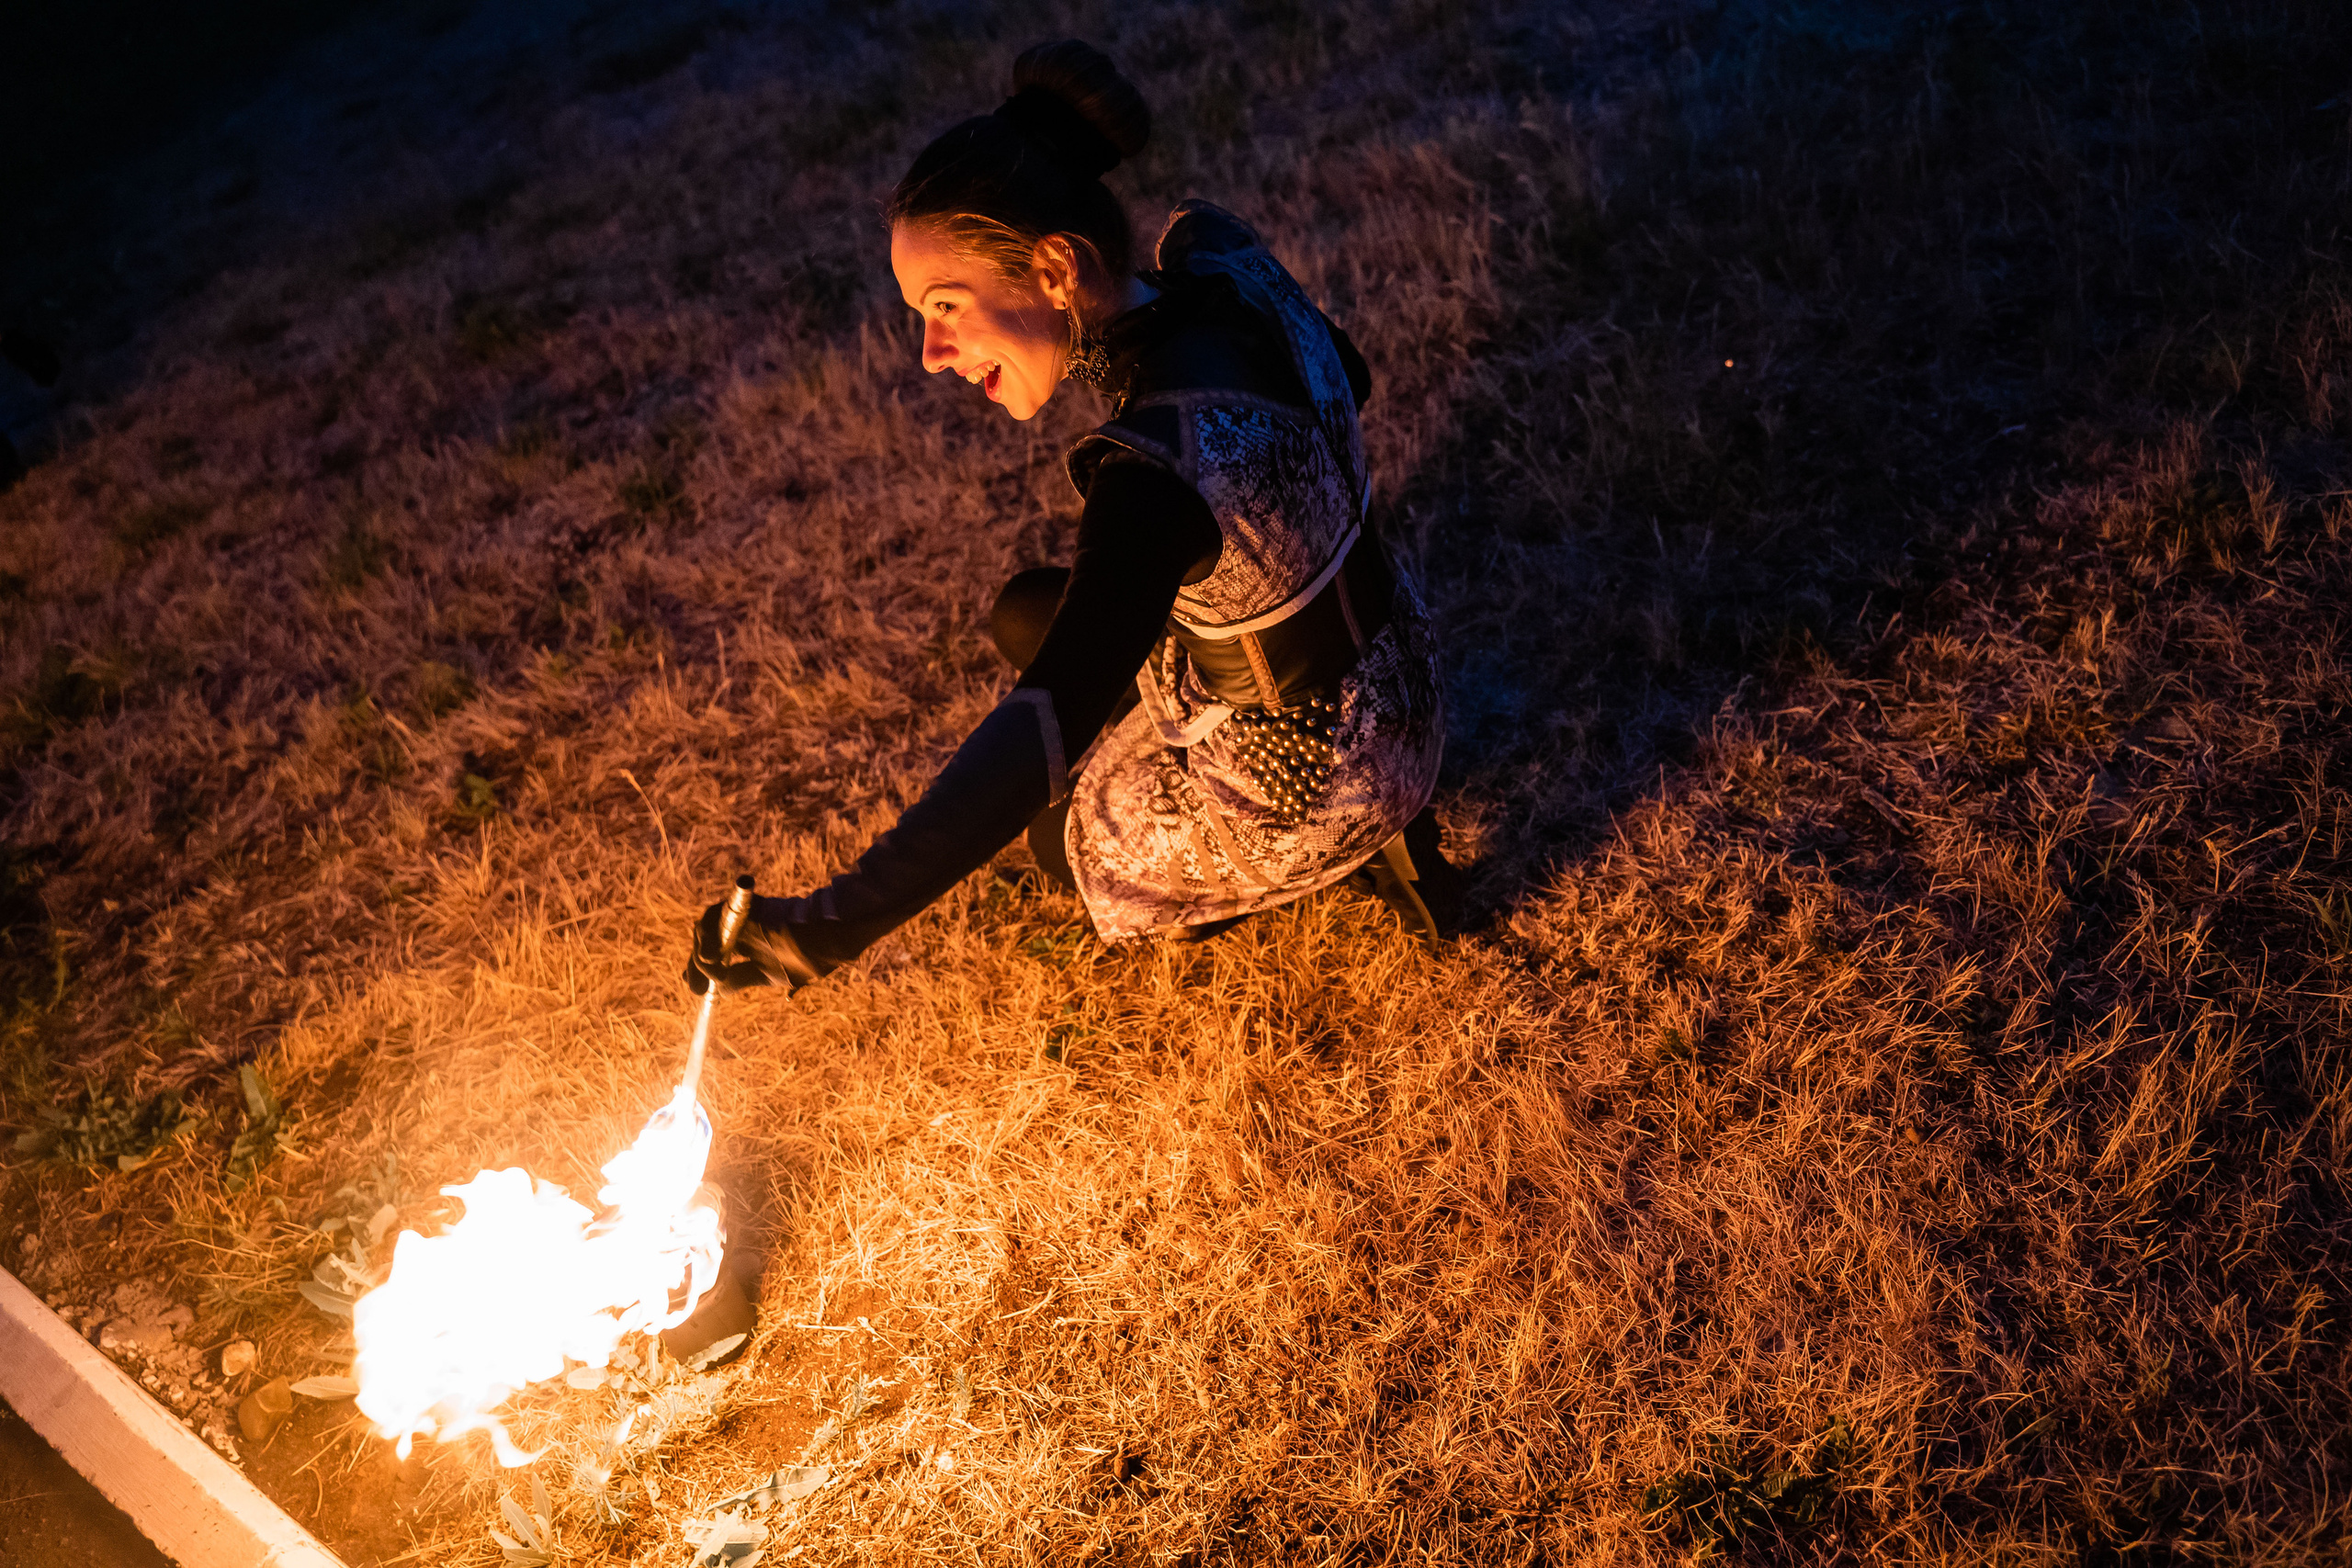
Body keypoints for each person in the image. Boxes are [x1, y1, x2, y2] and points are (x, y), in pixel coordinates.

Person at [686, 39, 1461, 998]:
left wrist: (827, 925)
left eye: (946, 306)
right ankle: (1350, 783)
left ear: (1056, 269)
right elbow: (1350, 374)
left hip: (1331, 770)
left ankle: (1344, 850)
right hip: (1396, 652)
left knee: (1061, 839)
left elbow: (1044, 728)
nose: (931, 352)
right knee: (1028, 611)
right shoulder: (1220, 274)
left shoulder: (1159, 470)